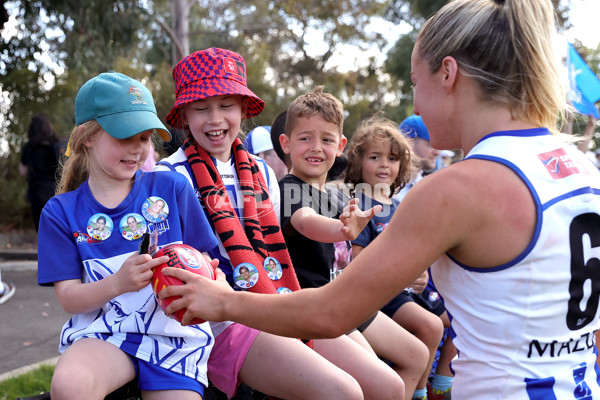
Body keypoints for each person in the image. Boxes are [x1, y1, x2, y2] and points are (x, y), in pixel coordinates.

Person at [157, 1, 600, 399]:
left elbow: (331, 310)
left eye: (414, 81)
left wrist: (221, 301)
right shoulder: (583, 169)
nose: (414, 102)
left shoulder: (457, 188)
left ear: (447, 74)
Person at [155, 47, 403, 400]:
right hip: (219, 320)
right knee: (344, 392)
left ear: (243, 109)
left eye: (226, 105)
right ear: (183, 115)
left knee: (388, 387)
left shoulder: (260, 172)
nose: (215, 119)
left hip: (274, 301)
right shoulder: (168, 176)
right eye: (201, 107)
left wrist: (343, 229)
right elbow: (171, 270)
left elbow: (284, 240)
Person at [37, 71, 220, 400]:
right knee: (70, 385)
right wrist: (117, 284)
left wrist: (206, 276)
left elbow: (209, 260)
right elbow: (68, 298)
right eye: (125, 136)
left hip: (174, 337)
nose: (138, 148)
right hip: (102, 335)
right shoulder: (59, 211)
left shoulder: (172, 187)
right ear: (86, 136)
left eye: (146, 137)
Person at [278, 88, 428, 398]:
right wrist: (342, 229)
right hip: (310, 309)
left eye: (327, 139)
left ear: (341, 145)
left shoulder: (335, 196)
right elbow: (306, 221)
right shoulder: (289, 190)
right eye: (305, 138)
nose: (316, 148)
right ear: (286, 143)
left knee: (417, 355)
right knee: (385, 384)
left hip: (342, 302)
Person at [344, 114, 444, 400]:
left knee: (444, 322)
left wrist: (420, 272)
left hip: (402, 290)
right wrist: (402, 275)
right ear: (358, 161)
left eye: (392, 158)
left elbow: (413, 252)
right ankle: (418, 392)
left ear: (402, 165)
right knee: (430, 325)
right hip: (377, 295)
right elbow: (358, 260)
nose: (384, 165)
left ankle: (421, 388)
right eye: (375, 157)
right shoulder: (359, 203)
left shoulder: (400, 204)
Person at [19, 114, 64, 231]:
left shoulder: (29, 147)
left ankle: (44, 249)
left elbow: (23, 171)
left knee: (41, 229)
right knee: (57, 229)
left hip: (37, 193)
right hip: (56, 191)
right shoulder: (57, 144)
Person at [393, 115, 440, 202]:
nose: (437, 152)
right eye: (430, 145)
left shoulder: (429, 185)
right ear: (408, 143)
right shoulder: (385, 186)